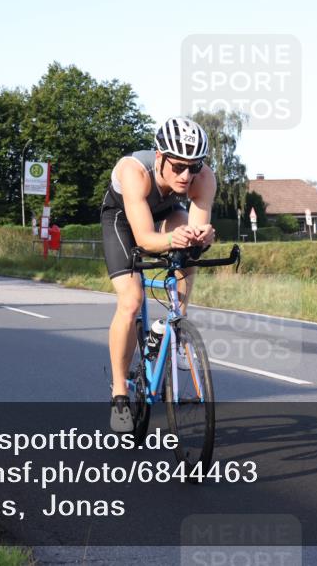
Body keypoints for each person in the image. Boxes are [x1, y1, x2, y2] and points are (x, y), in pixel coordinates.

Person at [100, 116, 216, 432]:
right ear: (161, 156)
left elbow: (196, 226)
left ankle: (172, 326)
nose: (186, 175)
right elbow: (145, 239)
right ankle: (120, 393)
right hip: (124, 222)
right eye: (178, 166)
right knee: (132, 299)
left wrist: (201, 238)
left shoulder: (203, 177)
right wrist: (168, 240)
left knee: (189, 245)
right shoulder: (134, 171)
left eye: (193, 167)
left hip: (166, 214)